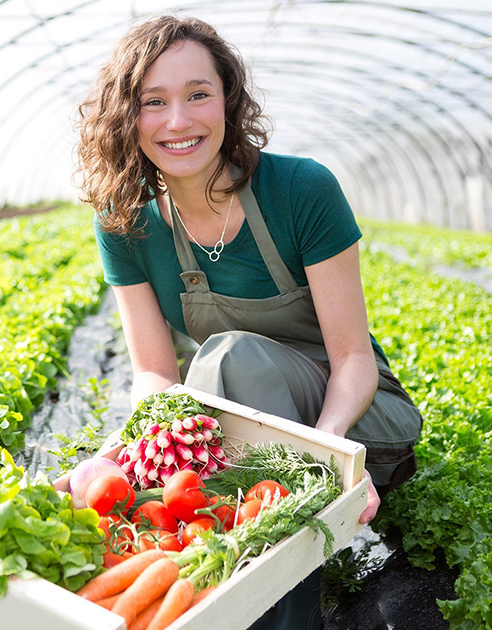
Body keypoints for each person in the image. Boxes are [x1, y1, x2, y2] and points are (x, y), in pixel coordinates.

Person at [76, 14, 423, 630]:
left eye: (198, 95)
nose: (178, 121)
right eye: (153, 102)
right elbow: (155, 373)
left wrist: (329, 464)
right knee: (201, 398)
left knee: (227, 360)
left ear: (229, 102)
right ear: (126, 118)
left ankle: (275, 612)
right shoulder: (123, 220)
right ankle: (203, 591)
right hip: (253, 424)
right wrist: (126, 451)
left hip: (355, 414)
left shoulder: (300, 189)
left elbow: (353, 359)